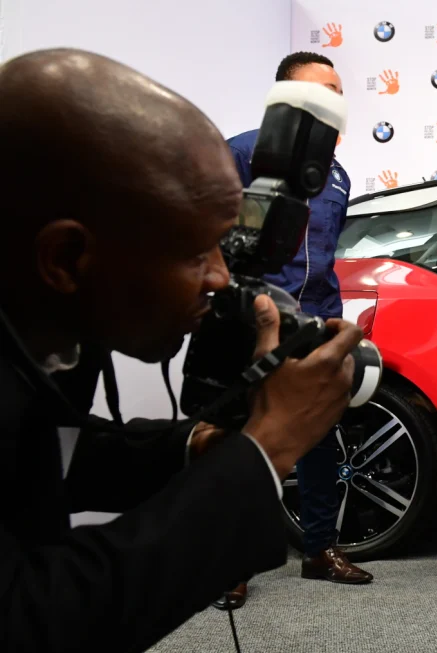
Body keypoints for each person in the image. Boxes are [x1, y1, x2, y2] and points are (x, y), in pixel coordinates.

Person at [0, 48, 364, 652]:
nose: (222, 278)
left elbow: (53, 453)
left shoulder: (47, 324)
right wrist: (264, 449)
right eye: (197, 253)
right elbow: (28, 620)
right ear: (65, 258)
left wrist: (201, 449)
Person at [218, 51, 372, 609]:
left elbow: (325, 252)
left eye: (338, 87)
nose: (335, 97)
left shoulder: (335, 171)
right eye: (321, 88)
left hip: (318, 316)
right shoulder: (241, 151)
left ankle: (319, 550)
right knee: (245, 440)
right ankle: (231, 564)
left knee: (320, 439)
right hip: (255, 317)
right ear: (286, 94)